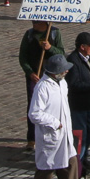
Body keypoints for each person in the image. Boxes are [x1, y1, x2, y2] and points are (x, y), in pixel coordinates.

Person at [29, 53, 81, 179]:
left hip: (64, 134)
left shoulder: (62, 83)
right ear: (54, 72)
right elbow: (34, 113)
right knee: (46, 169)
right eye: (63, 70)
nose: (66, 72)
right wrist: (55, 123)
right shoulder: (42, 87)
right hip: (50, 135)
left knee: (70, 164)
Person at [18, 20, 65, 150]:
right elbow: (23, 57)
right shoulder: (29, 35)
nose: (34, 24)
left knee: (51, 105)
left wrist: (50, 48)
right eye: (33, 22)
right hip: (35, 77)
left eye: (37, 22)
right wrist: (30, 72)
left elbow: (61, 53)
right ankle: (31, 138)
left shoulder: (55, 33)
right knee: (33, 105)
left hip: (51, 76)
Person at [66, 32, 90, 179]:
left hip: (89, 103)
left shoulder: (86, 58)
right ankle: (77, 164)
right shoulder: (73, 61)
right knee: (80, 136)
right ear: (82, 47)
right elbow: (73, 85)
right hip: (78, 105)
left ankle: (84, 157)